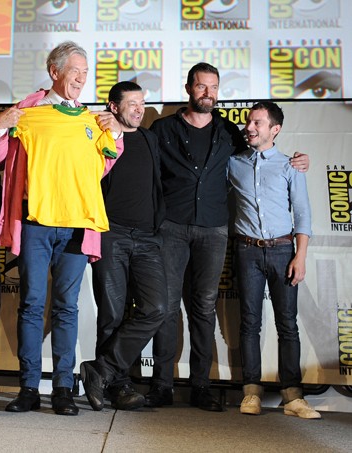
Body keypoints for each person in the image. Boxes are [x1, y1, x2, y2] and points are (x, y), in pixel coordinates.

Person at [146, 62, 309, 411]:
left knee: (204, 309)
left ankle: (201, 387)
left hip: (214, 230)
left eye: (214, 87)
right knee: (166, 307)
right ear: (189, 88)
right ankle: (161, 385)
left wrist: (298, 159)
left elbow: (263, 152)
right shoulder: (162, 129)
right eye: (202, 87)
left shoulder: (229, 133)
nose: (208, 93)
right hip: (171, 228)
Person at [0, 41, 123, 416]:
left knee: (66, 307)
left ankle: (63, 387)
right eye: (74, 70)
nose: (81, 78)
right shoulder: (28, 113)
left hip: (78, 226)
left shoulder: (92, 121)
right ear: (54, 72)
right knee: (31, 304)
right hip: (36, 222)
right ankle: (29, 386)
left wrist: (117, 136)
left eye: (85, 72)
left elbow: (105, 166)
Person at [228, 102, 320, 419]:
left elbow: (304, 213)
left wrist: (301, 255)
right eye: (248, 121)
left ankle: (292, 396)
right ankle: (250, 391)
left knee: (287, 325)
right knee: (249, 323)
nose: (249, 127)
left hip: (283, 250)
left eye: (257, 123)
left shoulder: (290, 166)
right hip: (246, 250)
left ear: (274, 129)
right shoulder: (232, 162)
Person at [79, 81, 167, 411]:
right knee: (112, 314)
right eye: (132, 103)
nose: (139, 109)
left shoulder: (149, 138)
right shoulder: (97, 135)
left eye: (142, 103)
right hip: (110, 233)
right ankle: (118, 385)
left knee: (156, 308)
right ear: (114, 107)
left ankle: (100, 370)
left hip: (147, 238)